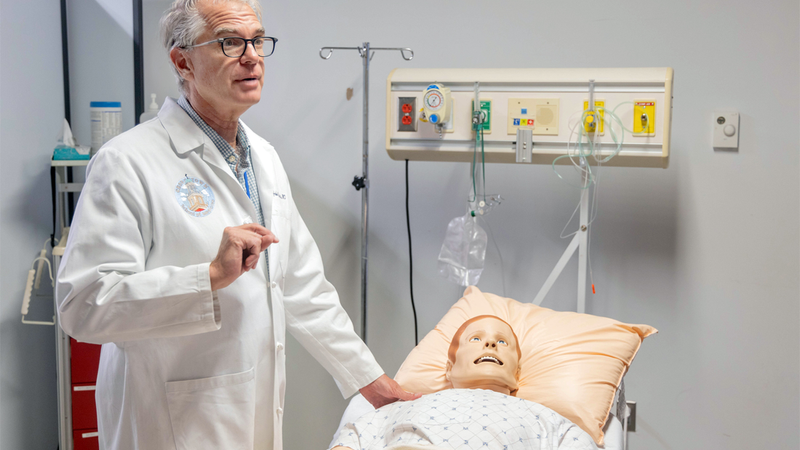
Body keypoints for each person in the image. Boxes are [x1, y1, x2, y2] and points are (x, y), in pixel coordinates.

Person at [55, 1, 416, 449]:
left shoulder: (263, 158)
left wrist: (373, 382)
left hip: (253, 414)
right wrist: (208, 279)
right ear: (182, 60)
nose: (252, 55)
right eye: (230, 42)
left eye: (258, 40)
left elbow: (303, 288)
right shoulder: (127, 162)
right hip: (167, 422)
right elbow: (83, 305)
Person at [329, 316, 597, 450]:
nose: (491, 343)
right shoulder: (399, 407)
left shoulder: (546, 418)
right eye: (476, 339)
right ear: (449, 367)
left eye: (502, 342)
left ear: (517, 373)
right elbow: (350, 440)